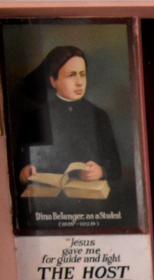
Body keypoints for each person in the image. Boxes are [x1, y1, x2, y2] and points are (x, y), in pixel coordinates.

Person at [13, 45, 122, 189]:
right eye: (71, 75)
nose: (79, 82)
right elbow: (18, 165)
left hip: (89, 198)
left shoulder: (99, 116)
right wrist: (24, 172)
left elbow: (116, 167)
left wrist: (101, 171)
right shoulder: (35, 117)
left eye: (82, 74)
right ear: (53, 81)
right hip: (49, 199)